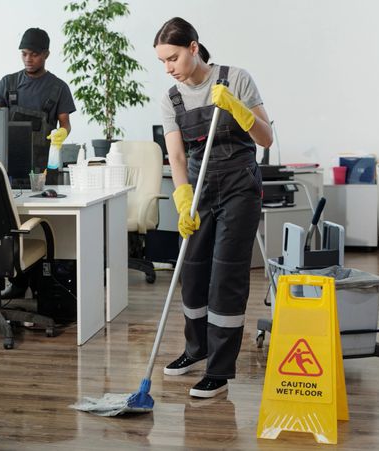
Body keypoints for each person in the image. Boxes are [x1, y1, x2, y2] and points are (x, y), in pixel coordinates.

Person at [154, 17, 273, 398]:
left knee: (226, 277)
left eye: (173, 57)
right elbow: (175, 153)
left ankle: (220, 370)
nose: (169, 67)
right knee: (192, 270)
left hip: (239, 188)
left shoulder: (234, 78)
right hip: (200, 191)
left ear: (192, 47)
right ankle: (196, 348)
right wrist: (182, 196)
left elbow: (266, 137)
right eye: (162, 62)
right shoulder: (170, 97)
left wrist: (240, 109)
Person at [0, 27, 76, 182]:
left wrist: (63, 132)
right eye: (24, 53)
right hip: (8, 169)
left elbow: (66, 124)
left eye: (34, 54)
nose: (28, 59)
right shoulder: (7, 83)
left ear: (46, 54)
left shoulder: (59, 88)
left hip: (44, 170)